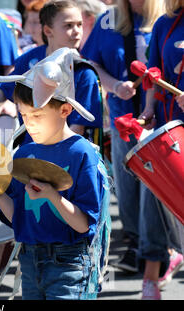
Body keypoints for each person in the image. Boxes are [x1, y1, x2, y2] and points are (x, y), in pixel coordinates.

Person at [0, 47, 110, 300]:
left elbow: (83, 224)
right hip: (29, 259)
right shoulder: (24, 152)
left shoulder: (82, 153)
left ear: (65, 110)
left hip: (69, 263)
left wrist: (53, 196)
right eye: (24, 115)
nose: (29, 122)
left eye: (37, 115)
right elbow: (18, 219)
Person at [81, 0, 165, 281]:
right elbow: (90, 61)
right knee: (128, 187)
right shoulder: (108, 20)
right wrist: (114, 85)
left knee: (155, 190)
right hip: (123, 119)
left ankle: (157, 252)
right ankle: (134, 244)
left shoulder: (166, 18)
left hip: (161, 121)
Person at [0, 0, 103, 149]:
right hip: (30, 152)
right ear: (48, 31)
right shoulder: (29, 60)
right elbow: (4, 89)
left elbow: (78, 128)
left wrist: (48, 155)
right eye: (68, 25)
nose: (77, 31)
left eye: (79, 24)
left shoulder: (84, 72)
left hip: (67, 158)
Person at [137, 0, 184, 299]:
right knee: (152, 201)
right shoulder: (164, 23)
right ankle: (150, 278)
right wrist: (148, 110)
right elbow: (153, 73)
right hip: (169, 130)